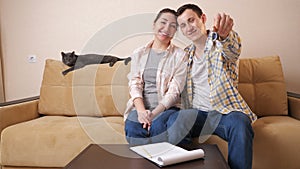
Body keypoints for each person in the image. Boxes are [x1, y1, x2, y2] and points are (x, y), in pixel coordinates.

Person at [167, 4, 257, 169]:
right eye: (183, 25)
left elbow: (233, 49)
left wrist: (225, 36)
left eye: (191, 20)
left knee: (240, 122)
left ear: (202, 19)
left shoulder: (220, 44)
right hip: (196, 114)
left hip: (224, 113)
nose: (188, 28)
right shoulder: (184, 55)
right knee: (176, 120)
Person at [124, 8, 187, 146]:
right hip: (141, 108)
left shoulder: (180, 56)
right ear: (154, 24)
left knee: (158, 128)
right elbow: (135, 84)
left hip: (168, 108)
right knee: (133, 126)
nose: (166, 29)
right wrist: (141, 112)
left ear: (175, 31)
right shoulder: (138, 53)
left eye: (172, 26)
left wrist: (152, 115)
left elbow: (174, 92)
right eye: (163, 23)